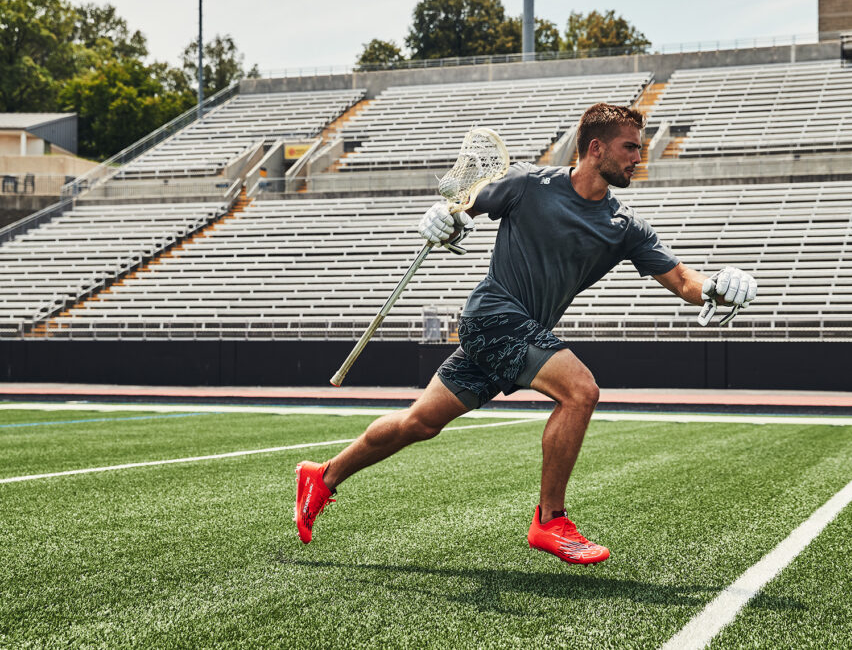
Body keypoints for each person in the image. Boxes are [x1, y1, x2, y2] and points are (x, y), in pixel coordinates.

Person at [295, 103, 756, 564]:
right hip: (493, 316)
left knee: (419, 423)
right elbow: (464, 206)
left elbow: (681, 280)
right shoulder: (528, 184)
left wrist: (715, 287)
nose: (639, 156)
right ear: (596, 149)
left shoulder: (625, 227)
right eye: (630, 147)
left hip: (515, 334)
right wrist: (442, 216)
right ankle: (550, 521)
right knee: (581, 391)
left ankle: (324, 475)